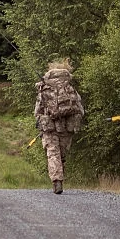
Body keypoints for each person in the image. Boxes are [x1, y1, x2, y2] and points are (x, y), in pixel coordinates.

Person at [34, 60, 85, 194]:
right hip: (67, 127)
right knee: (62, 155)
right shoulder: (69, 87)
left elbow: (37, 111)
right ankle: (60, 178)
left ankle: (57, 181)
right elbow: (80, 109)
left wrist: (41, 120)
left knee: (53, 154)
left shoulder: (45, 88)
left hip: (50, 127)